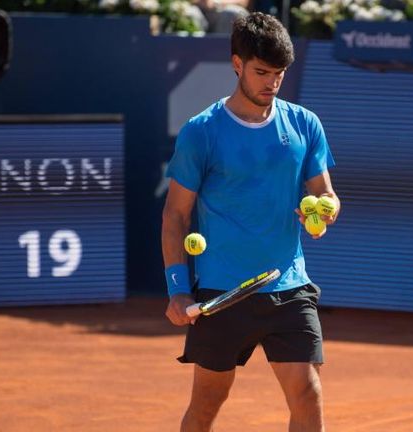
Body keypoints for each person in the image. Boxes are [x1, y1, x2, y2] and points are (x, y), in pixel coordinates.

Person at [161, 12, 340, 432]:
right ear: (237, 64)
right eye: (262, 72)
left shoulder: (304, 124)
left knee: (308, 392)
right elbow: (176, 214)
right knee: (208, 402)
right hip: (222, 292)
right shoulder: (201, 132)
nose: (271, 83)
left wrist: (324, 210)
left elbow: (327, 194)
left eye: (279, 74)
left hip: (289, 283)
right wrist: (177, 290)